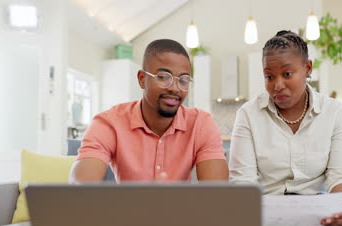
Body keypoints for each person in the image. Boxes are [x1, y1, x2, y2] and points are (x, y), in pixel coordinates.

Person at [229, 30, 342, 226]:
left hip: (320, 217)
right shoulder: (248, 115)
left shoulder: (334, 112)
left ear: (308, 69)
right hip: (269, 222)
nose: (277, 85)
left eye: (287, 73)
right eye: (269, 77)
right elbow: (243, 182)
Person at [70, 39, 228, 183]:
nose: (174, 88)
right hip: (128, 214)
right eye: (163, 77)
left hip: (181, 214)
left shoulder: (201, 124)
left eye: (183, 80)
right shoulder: (109, 123)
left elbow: (217, 196)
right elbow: (82, 189)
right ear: (142, 79)